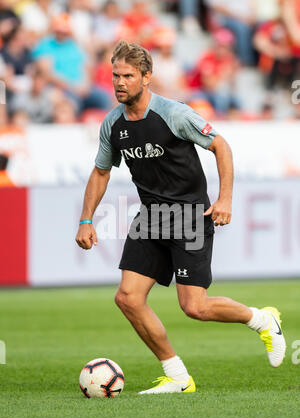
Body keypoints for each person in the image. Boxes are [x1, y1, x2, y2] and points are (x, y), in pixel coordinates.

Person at [76, 40, 286, 394]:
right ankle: (177, 376)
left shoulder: (174, 113)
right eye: (115, 75)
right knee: (127, 298)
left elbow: (221, 145)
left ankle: (262, 319)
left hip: (190, 216)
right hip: (151, 217)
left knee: (195, 307)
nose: (119, 83)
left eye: (128, 75)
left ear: (147, 77)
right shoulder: (112, 124)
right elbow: (100, 172)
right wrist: (85, 219)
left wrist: (226, 198)